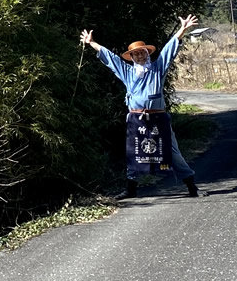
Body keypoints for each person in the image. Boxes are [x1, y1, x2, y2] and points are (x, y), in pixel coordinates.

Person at [80, 14, 205, 198]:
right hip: (136, 118)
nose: (139, 56)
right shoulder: (127, 72)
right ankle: (131, 190)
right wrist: (92, 43)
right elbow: (111, 57)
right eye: (135, 54)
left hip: (158, 117)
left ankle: (192, 187)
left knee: (172, 150)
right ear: (131, 57)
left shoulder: (157, 68)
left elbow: (169, 50)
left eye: (142, 53)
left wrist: (182, 30)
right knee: (134, 151)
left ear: (147, 54)